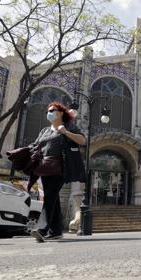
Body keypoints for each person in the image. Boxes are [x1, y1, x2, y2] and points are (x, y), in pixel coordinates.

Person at [30, 102, 86, 242]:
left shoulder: (68, 126)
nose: (49, 113)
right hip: (44, 167)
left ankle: (42, 228)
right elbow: (36, 146)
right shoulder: (45, 130)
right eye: (48, 111)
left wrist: (65, 132)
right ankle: (56, 231)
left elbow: (82, 140)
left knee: (49, 195)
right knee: (53, 198)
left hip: (60, 167)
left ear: (60, 113)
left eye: (52, 110)